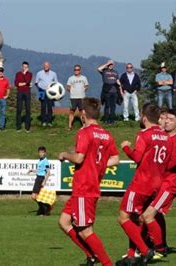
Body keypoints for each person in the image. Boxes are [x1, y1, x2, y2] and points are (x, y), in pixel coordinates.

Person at [58, 97, 119, 266]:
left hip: (85, 187)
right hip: (85, 187)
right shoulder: (106, 134)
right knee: (64, 221)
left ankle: (107, 263)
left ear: (83, 113)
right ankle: (92, 255)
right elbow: (116, 159)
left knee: (85, 230)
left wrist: (64, 154)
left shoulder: (84, 132)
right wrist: (97, 164)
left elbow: (78, 158)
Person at [116, 103, 175, 265]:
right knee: (139, 218)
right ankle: (133, 254)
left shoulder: (144, 134)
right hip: (156, 184)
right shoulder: (167, 138)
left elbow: (137, 157)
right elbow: (173, 162)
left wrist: (126, 148)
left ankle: (144, 250)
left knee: (123, 217)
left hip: (141, 184)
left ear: (143, 117)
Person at [140, 109, 176, 259]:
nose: (166, 121)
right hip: (155, 182)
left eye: (171, 119)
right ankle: (160, 245)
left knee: (148, 215)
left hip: (168, 184)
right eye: (165, 118)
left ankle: (156, 249)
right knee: (155, 214)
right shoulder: (159, 136)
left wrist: (168, 155)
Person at [97, 60, 121, 125]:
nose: (110, 65)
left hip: (114, 91)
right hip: (107, 91)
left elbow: (118, 81)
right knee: (107, 105)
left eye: (112, 64)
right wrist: (106, 64)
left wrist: (120, 89)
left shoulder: (115, 72)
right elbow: (98, 69)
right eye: (109, 64)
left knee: (113, 106)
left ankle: (112, 120)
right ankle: (106, 120)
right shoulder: (104, 71)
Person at [66, 64, 89, 130]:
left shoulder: (84, 78)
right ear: (74, 70)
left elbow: (86, 86)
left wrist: (83, 91)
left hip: (81, 97)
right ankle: (70, 126)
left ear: (80, 70)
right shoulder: (71, 78)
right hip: (73, 97)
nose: (76, 71)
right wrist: (72, 91)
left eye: (78, 69)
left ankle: (84, 125)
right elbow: (68, 86)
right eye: (75, 69)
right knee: (71, 111)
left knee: (82, 112)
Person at [35, 61, 58, 126]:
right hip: (42, 91)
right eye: (45, 65)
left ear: (49, 66)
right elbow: (36, 83)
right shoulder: (39, 73)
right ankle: (43, 121)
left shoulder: (53, 73)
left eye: (47, 65)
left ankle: (49, 121)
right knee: (43, 107)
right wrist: (39, 89)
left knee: (50, 107)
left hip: (50, 92)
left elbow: (56, 83)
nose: (46, 67)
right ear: (43, 66)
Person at [29, 146, 50, 215]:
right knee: (35, 196)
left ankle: (44, 210)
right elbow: (39, 170)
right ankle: (44, 208)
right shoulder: (40, 160)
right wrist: (32, 170)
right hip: (38, 178)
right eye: (40, 152)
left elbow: (48, 172)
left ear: (45, 153)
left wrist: (44, 181)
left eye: (42, 152)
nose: (41, 154)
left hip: (41, 178)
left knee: (34, 196)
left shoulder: (45, 161)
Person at [14, 61, 33, 132]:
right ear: (21, 67)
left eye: (26, 67)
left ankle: (27, 127)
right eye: (23, 67)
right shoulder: (18, 74)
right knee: (19, 109)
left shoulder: (30, 74)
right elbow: (17, 84)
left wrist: (24, 80)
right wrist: (25, 84)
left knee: (28, 109)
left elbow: (28, 81)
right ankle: (18, 127)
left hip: (27, 92)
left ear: (28, 68)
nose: (24, 68)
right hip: (20, 92)